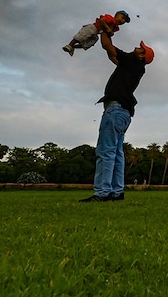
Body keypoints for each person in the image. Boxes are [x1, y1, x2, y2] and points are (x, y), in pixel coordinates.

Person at [79, 29, 154, 202]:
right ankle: (116, 191)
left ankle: (102, 192)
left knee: (106, 151)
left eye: (140, 48)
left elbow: (107, 47)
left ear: (141, 56)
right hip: (124, 114)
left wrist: (105, 29)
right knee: (117, 153)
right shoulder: (133, 66)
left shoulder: (132, 61)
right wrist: (108, 36)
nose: (137, 47)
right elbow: (112, 56)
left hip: (115, 110)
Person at [63, 11, 131, 56]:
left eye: (124, 21)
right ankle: (70, 45)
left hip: (96, 33)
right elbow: (102, 21)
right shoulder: (110, 18)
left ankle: (73, 47)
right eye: (122, 18)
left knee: (90, 43)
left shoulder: (116, 27)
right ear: (116, 15)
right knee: (82, 36)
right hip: (93, 28)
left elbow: (109, 33)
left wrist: (111, 33)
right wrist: (107, 28)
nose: (122, 21)